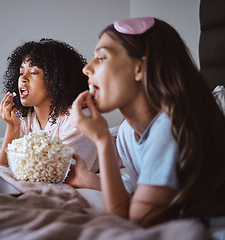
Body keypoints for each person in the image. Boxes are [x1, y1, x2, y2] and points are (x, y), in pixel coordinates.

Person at [66, 17, 225, 231]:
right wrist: (87, 179)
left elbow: (133, 221)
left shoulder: (169, 127)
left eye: (102, 57)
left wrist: (102, 140)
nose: (87, 68)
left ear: (139, 68)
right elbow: (137, 199)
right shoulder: (126, 133)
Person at [0, 38, 98, 172]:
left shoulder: (77, 118)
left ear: (56, 79)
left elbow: (60, 172)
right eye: (21, 72)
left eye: (33, 73)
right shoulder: (25, 117)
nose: (23, 78)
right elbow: (1, 168)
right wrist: (12, 127)